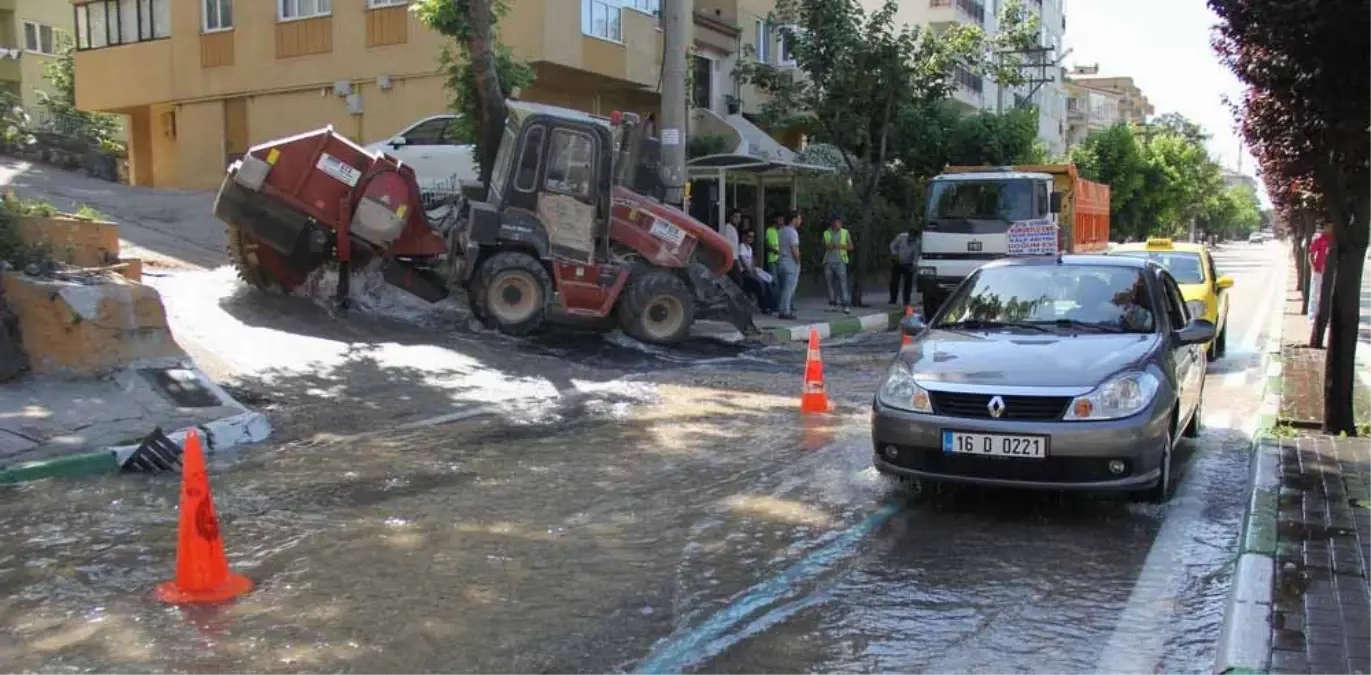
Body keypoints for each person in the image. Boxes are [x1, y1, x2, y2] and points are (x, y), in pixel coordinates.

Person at [738, 229, 776, 313]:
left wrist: (755, 270)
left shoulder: (750, 248)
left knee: (767, 282)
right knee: (760, 284)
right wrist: (751, 271)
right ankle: (764, 307)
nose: (751, 238)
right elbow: (743, 261)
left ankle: (770, 305)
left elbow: (751, 262)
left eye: (753, 237)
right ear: (744, 237)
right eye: (750, 236)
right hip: (744, 273)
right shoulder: (741, 247)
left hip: (752, 271)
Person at [822, 215, 853, 314]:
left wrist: (840, 246)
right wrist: (828, 245)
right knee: (830, 284)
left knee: (842, 283)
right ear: (832, 223)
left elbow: (851, 246)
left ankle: (845, 305)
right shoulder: (826, 233)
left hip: (840, 261)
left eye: (839, 222)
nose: (837, 224)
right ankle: (832, 303)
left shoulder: (845, 232)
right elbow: (824, 244)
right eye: (835, 222)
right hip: (828, 261)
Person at [776, 211, 803, 319]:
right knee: (789, 289)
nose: (800, 221)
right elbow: (794, 248)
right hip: (790, 262)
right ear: (794, 219)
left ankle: (782, 309)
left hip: (781, 260)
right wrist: (798, 261)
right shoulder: (793, 232)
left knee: (783, 288)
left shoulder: (781, 231)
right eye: (799, 219)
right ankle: (785, 311)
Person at [888, 226, 920, 307]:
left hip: (908, 264)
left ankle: (906, 301)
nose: (911, 238)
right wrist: (894, 253)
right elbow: (892, 245)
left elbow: (916, 256)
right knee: (894, 281)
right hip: (898, 261)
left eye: (913, 237)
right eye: (910, 236)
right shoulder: (901, 237)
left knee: (908, 283)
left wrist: (914, 266)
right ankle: (893, 299)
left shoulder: (917, 243)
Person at [1308, 224, 1332, 325]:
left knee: (1328, 294)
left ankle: (1327, 317)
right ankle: (1312, 317)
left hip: (1329, 271)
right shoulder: (1319, 238)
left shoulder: (1334, 239)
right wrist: (1313, 267)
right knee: (1315, 293)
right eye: (1328, 226)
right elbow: (1311, 255)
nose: (1329, 228)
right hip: (1318, 271)